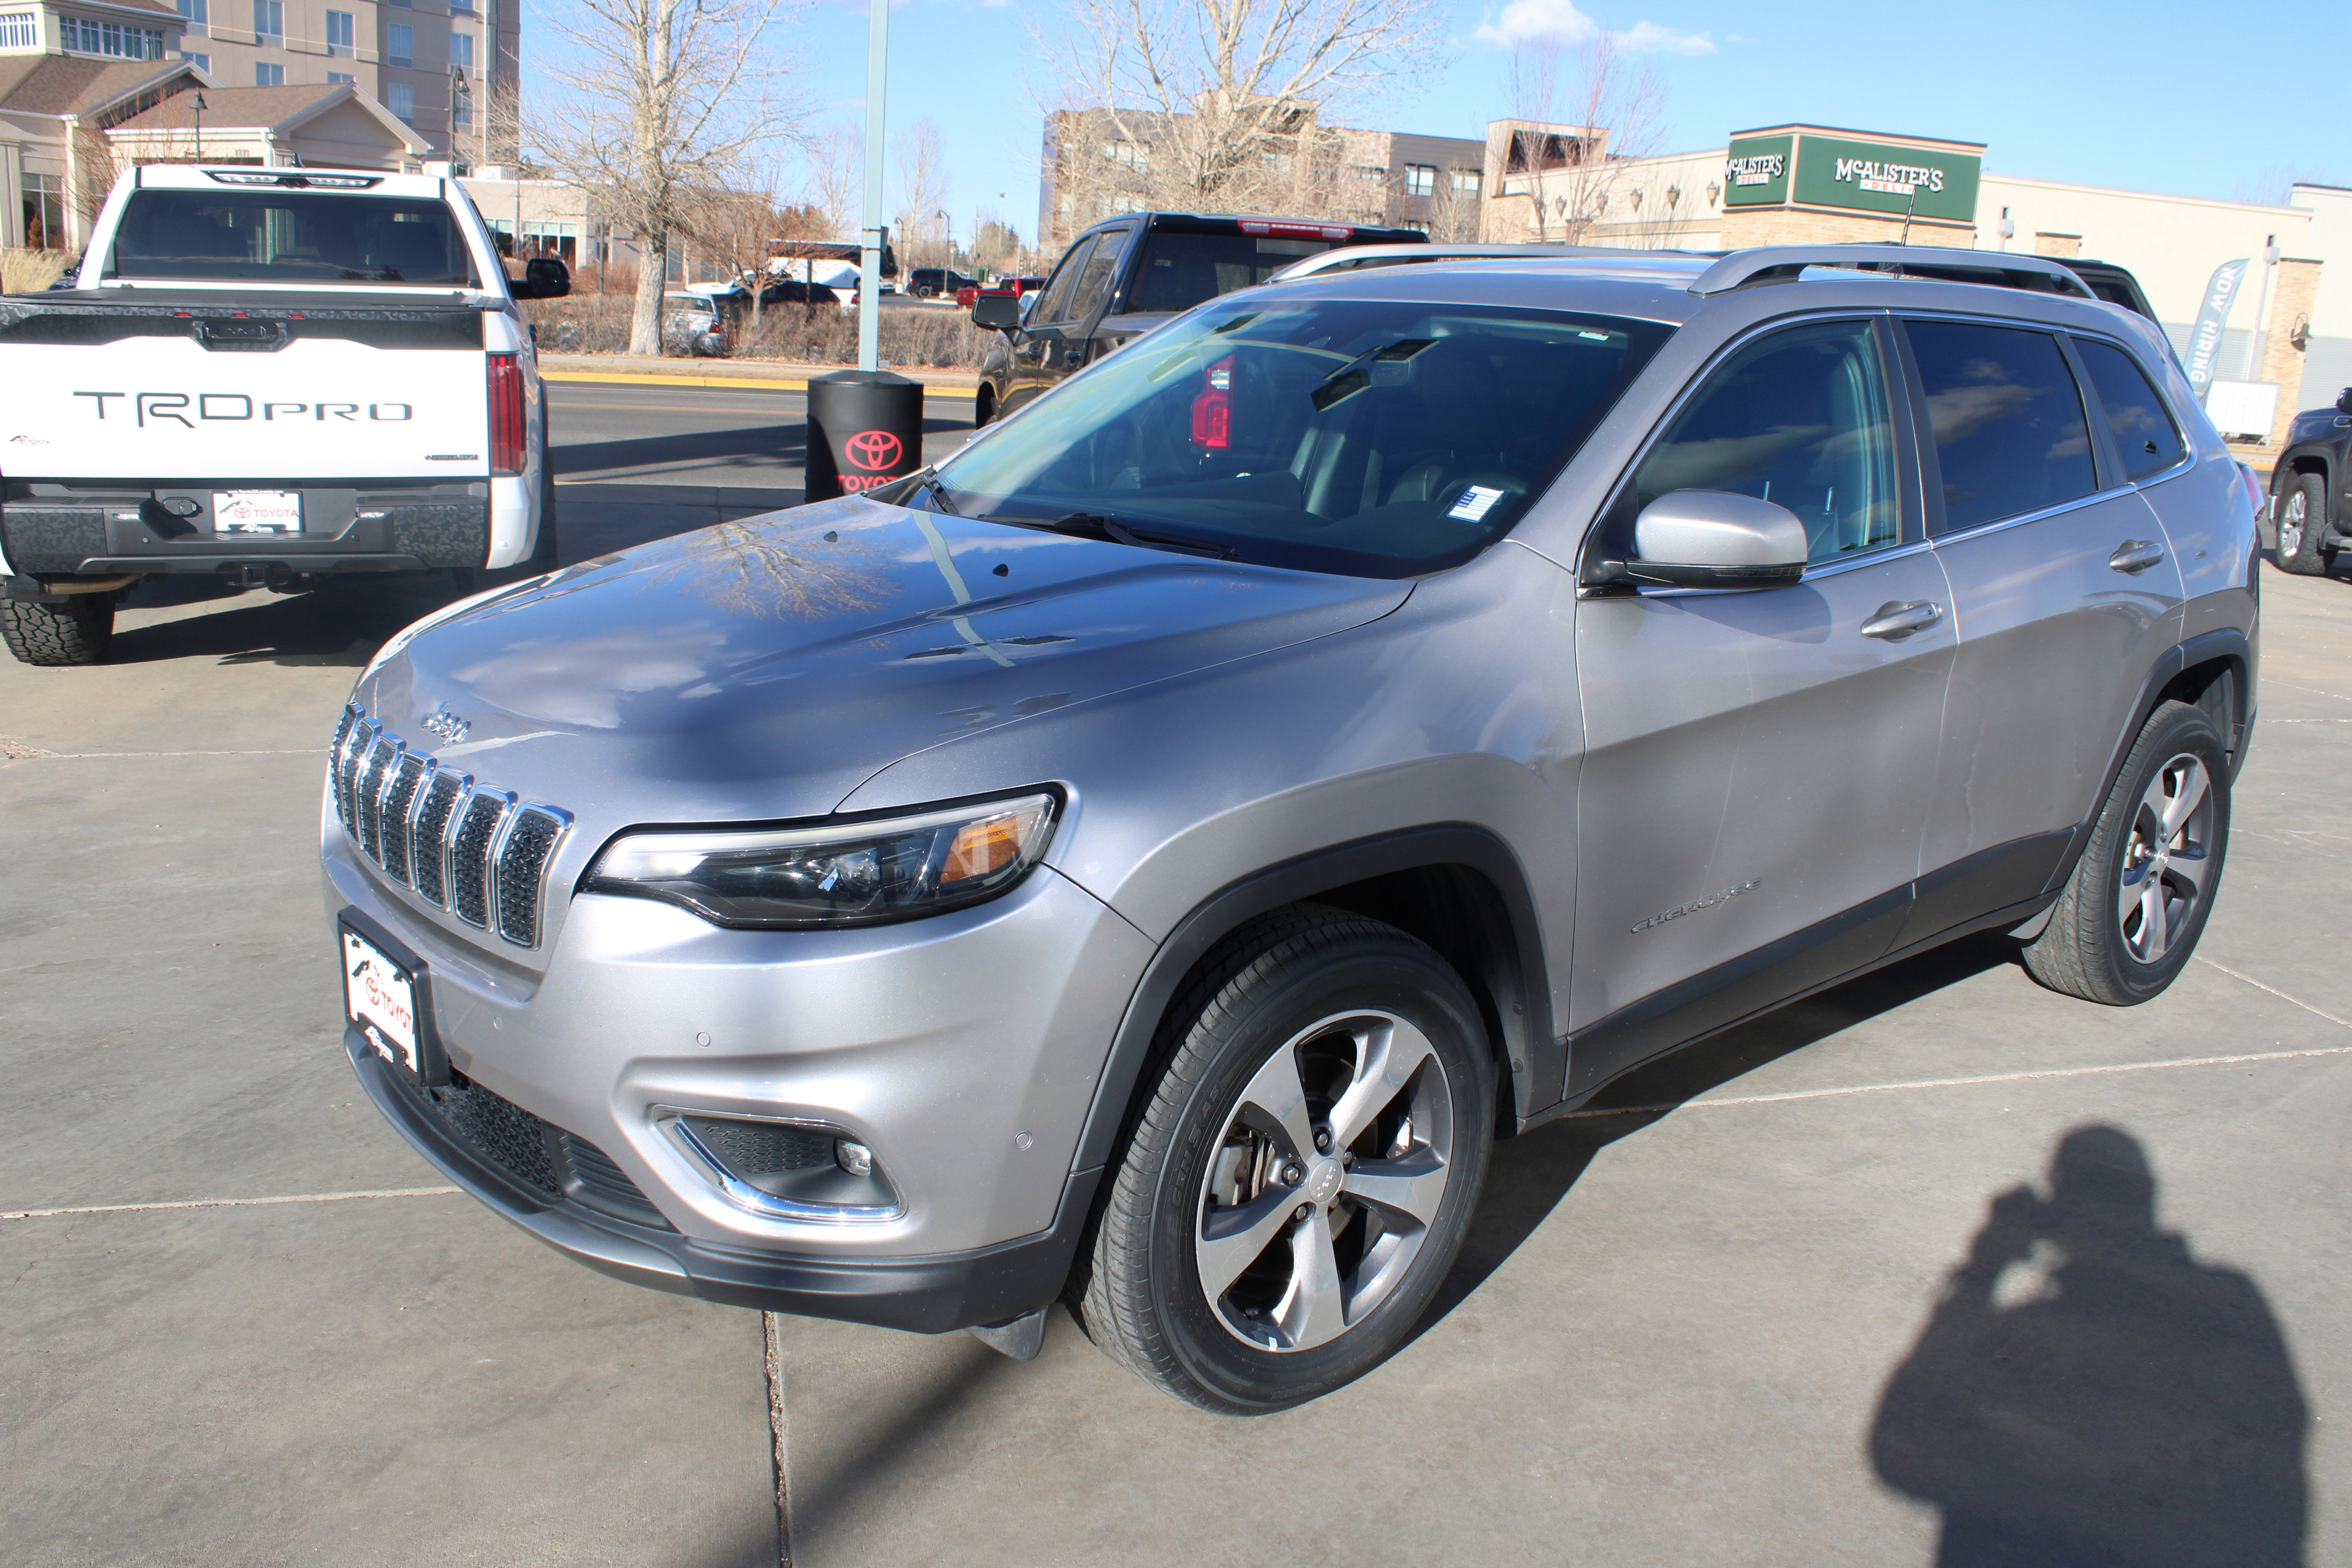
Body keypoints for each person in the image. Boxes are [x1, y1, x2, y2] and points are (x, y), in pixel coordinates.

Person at [1871, 1125, 2307, 1567]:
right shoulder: (2232, 1306)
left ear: (2058, 1216)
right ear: (2149, 1198)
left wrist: (1982, 1272)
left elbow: (1900, 1449)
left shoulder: (2022, 1342)